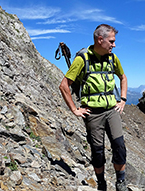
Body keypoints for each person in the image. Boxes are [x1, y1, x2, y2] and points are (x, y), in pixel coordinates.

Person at [58, 24, 129, 191]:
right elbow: (64, 86)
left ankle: (121, 183)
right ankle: (102, 184)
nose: (114, 45)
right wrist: (75, 109)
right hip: (93, 114)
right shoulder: (82, 59)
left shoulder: (113, 58)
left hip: (112, 110)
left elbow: (123, 77)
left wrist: (123, 100)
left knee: (119, 146)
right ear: (100, 39)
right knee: (98, 152)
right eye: (111, 41)